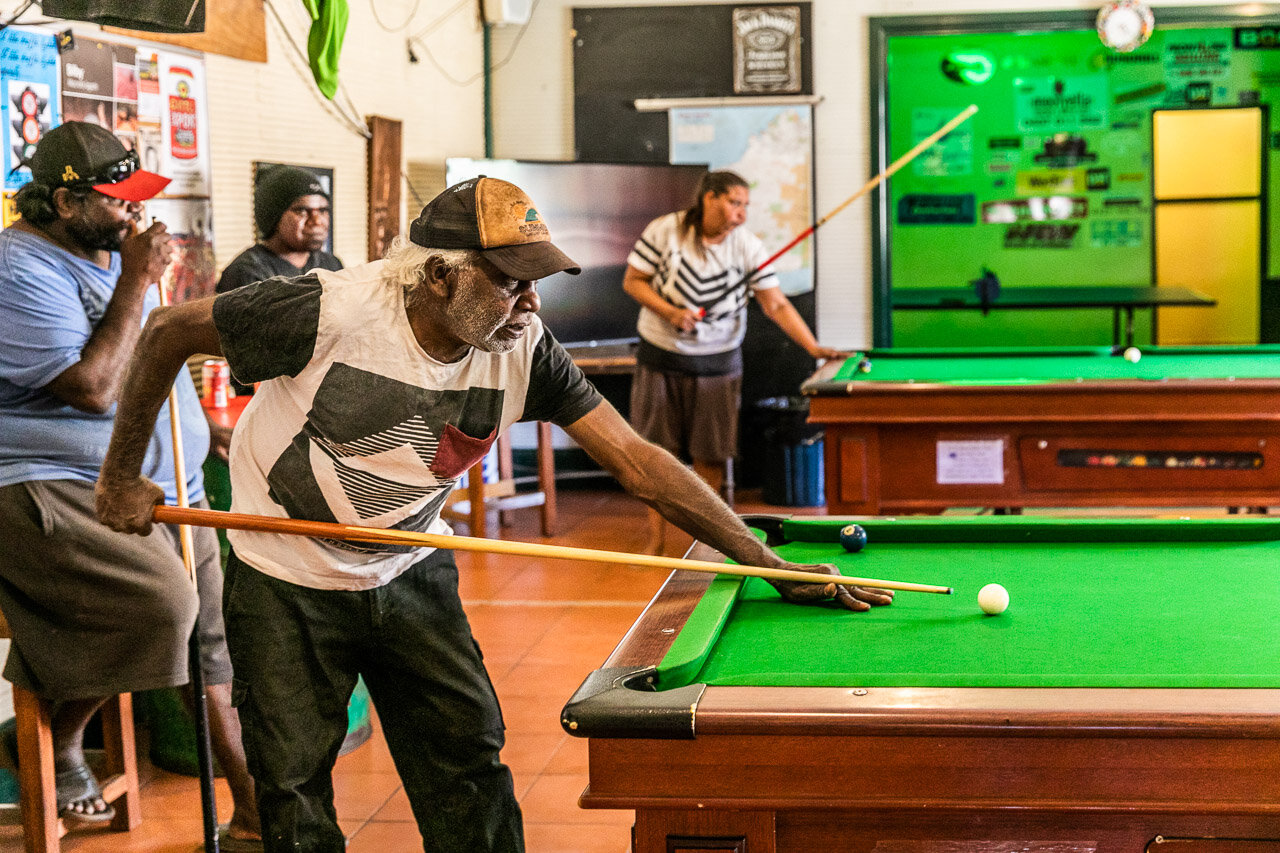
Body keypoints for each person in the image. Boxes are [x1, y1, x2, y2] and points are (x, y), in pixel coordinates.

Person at [94, 175, 894, 853]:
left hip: (410, 566)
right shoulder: (327, 309)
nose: (531, 301)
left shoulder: (525, 344)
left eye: (536, 279)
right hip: (285, 581)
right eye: (510, 280)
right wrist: (120, 475)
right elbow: (165, 330)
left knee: (468, 760)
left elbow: (638, 461)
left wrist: (766, 560)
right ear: (438, 276)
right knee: (293, 787)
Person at [0, 121, 262, 849]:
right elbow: (90, 387)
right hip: (51, 481)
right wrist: (137, 280)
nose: (135, 214)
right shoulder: (17, 269)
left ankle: (255, 812)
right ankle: (56, 737)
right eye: (118, 202)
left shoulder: (105, 252)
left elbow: (150, 357)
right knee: (162, 604)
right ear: (62, 201)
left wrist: (201, 420)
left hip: (157, 480)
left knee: (212, 639)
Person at [623, 170, 846, 553]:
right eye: (734, 202)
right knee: (656, 455)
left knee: (712, 455)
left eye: (745, 205)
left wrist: (813, 348)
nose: (741, 213)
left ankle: (705, 544)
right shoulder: (666, 230)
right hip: (661, 356)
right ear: (709, 198)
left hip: (719, 364)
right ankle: (656, 545)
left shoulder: (747, 247)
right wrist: (672, 312)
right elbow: (633, 280)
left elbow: (775, 303)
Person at [214, 165, 342, 295]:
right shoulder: (248, 273)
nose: (317, 221)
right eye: (302, 210)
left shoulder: (331, 265)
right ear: (274, 217)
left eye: (323, 210)